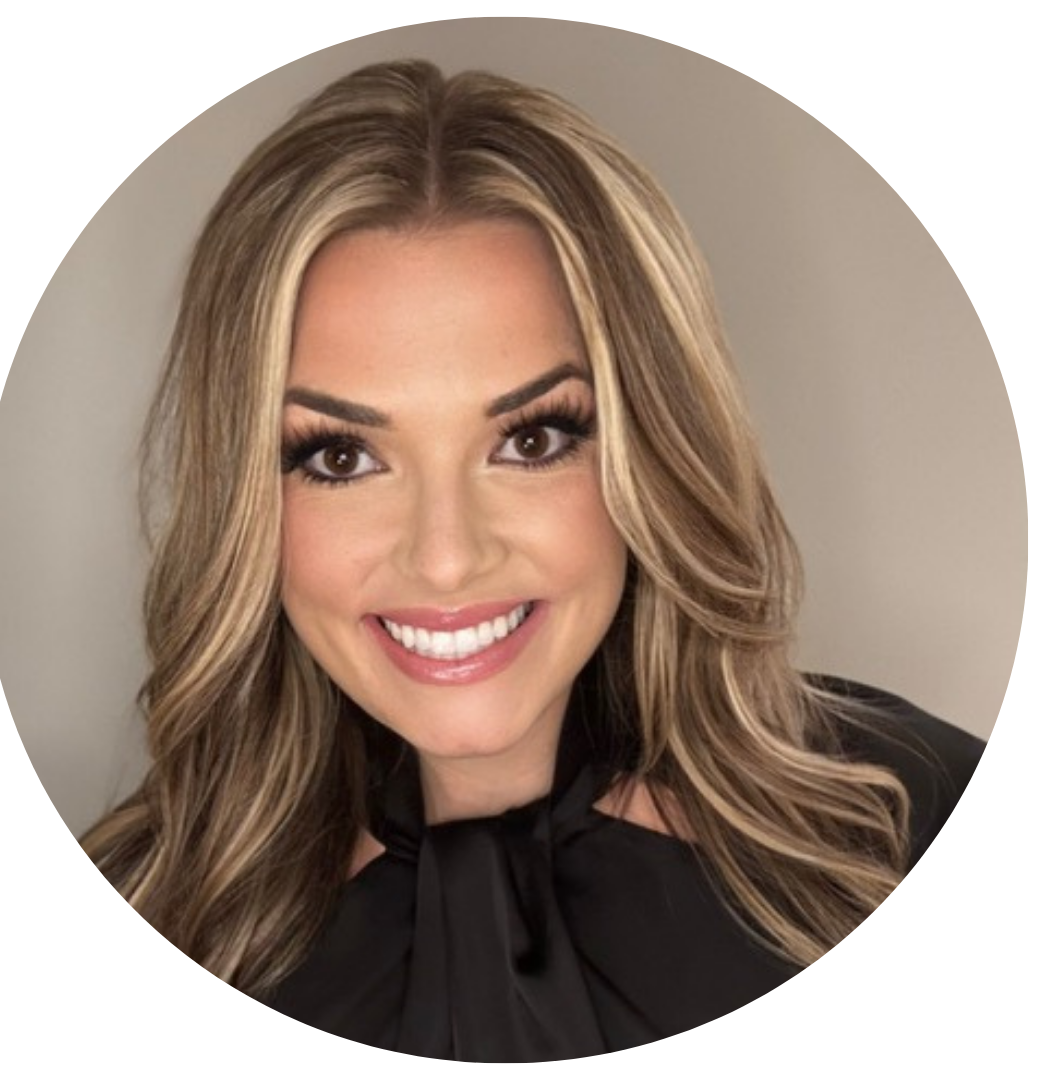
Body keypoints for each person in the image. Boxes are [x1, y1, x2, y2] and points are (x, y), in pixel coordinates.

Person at [80, 59, 984, 1060]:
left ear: (653, 449)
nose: (446, 558)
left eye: (531, 439)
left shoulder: (901, 829)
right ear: (244, 497)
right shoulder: (160, 905)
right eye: (340, 457)